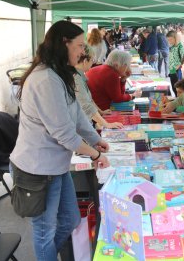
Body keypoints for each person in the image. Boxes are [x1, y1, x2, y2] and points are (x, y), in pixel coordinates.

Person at [9, 20, 110, 261]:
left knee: (71, 219)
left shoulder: (59, 74)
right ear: (63, 44)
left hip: (55, 167)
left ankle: (50, 256)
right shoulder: (45, 79)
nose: (82, 51)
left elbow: (75, 114)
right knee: (44, 232)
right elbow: (65, 134)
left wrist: (96, 140)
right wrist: (95, 155)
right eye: (78, 45)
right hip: (37, 171)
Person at [74, 45, 123, 129]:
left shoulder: (80, 76)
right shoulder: (76, 78)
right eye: (92, 60)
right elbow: (86, 106)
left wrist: (101, 112)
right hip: (80, 125)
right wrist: (107, 124)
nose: (93, 63)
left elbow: (89, 99)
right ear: (85, 61)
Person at [166, 30, 184, 96]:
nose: (169, 41)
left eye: (171, 39)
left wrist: (180, 65)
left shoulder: (180, 46)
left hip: (177, 72)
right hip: (172, 71)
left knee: (178, 89)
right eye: (168, 40)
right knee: (173, 88)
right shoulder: (172, 47)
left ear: (175, 38)